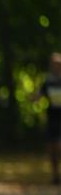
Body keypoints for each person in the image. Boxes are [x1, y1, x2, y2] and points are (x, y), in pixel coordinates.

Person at [33, 52, 61, 185]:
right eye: (54, 64)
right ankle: (55, 176)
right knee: (52, 149)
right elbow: (38, 95)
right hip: (52, 118)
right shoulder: (48, 82)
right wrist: (35, 98)